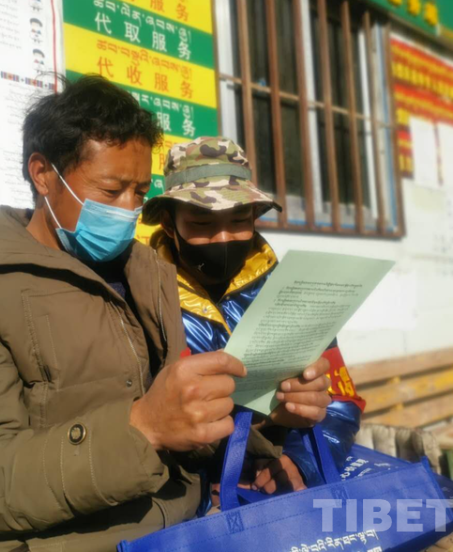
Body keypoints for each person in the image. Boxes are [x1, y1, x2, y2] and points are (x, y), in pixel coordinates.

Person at [0, 78, 317, 551]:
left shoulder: (149, 271)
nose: (127, 209)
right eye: (111, 189)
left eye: (139, 192)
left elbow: (180, 420)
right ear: (43, 174)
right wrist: (141, 428)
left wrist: (264, 428)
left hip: (185, 530)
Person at [142, 137, 366, 494]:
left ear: (255, 217)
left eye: (238, 220)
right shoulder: (139, 298)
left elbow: (341, 400)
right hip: (184, 502)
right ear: (169, 224)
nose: (223, 237)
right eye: (201, 222)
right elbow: (136, 426)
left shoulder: (291, 293)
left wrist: (302, 462)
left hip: (276, 492)